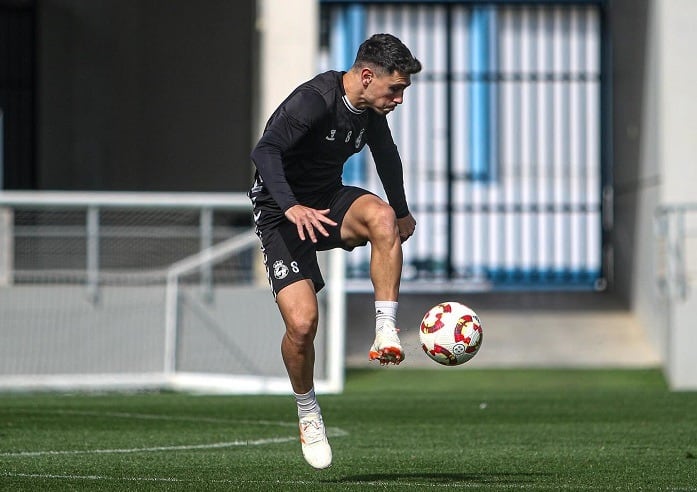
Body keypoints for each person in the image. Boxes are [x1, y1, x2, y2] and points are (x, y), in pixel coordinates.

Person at [248, 33, 421, 469]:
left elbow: (387, 157)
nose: (399, 98)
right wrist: (290, 207)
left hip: (328, 201)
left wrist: (400, 212)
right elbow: (264, 151)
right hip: (280, 212)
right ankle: (308, 411)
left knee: (380, 219)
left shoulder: (368, 111)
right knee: (303, 325)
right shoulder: (314, 100)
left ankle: (385, 331)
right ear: (367, 76)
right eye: (395, 88)